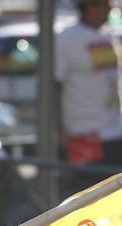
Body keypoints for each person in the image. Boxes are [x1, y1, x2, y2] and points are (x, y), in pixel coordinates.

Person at [55, 0, 122, 166]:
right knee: (84, 188)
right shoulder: (66, 39)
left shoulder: (108, 36)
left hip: (115, 131)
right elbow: (53, 87)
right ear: (88, 6)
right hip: (83, 134)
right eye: (104, 4)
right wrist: (58, 132)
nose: (109, 9)